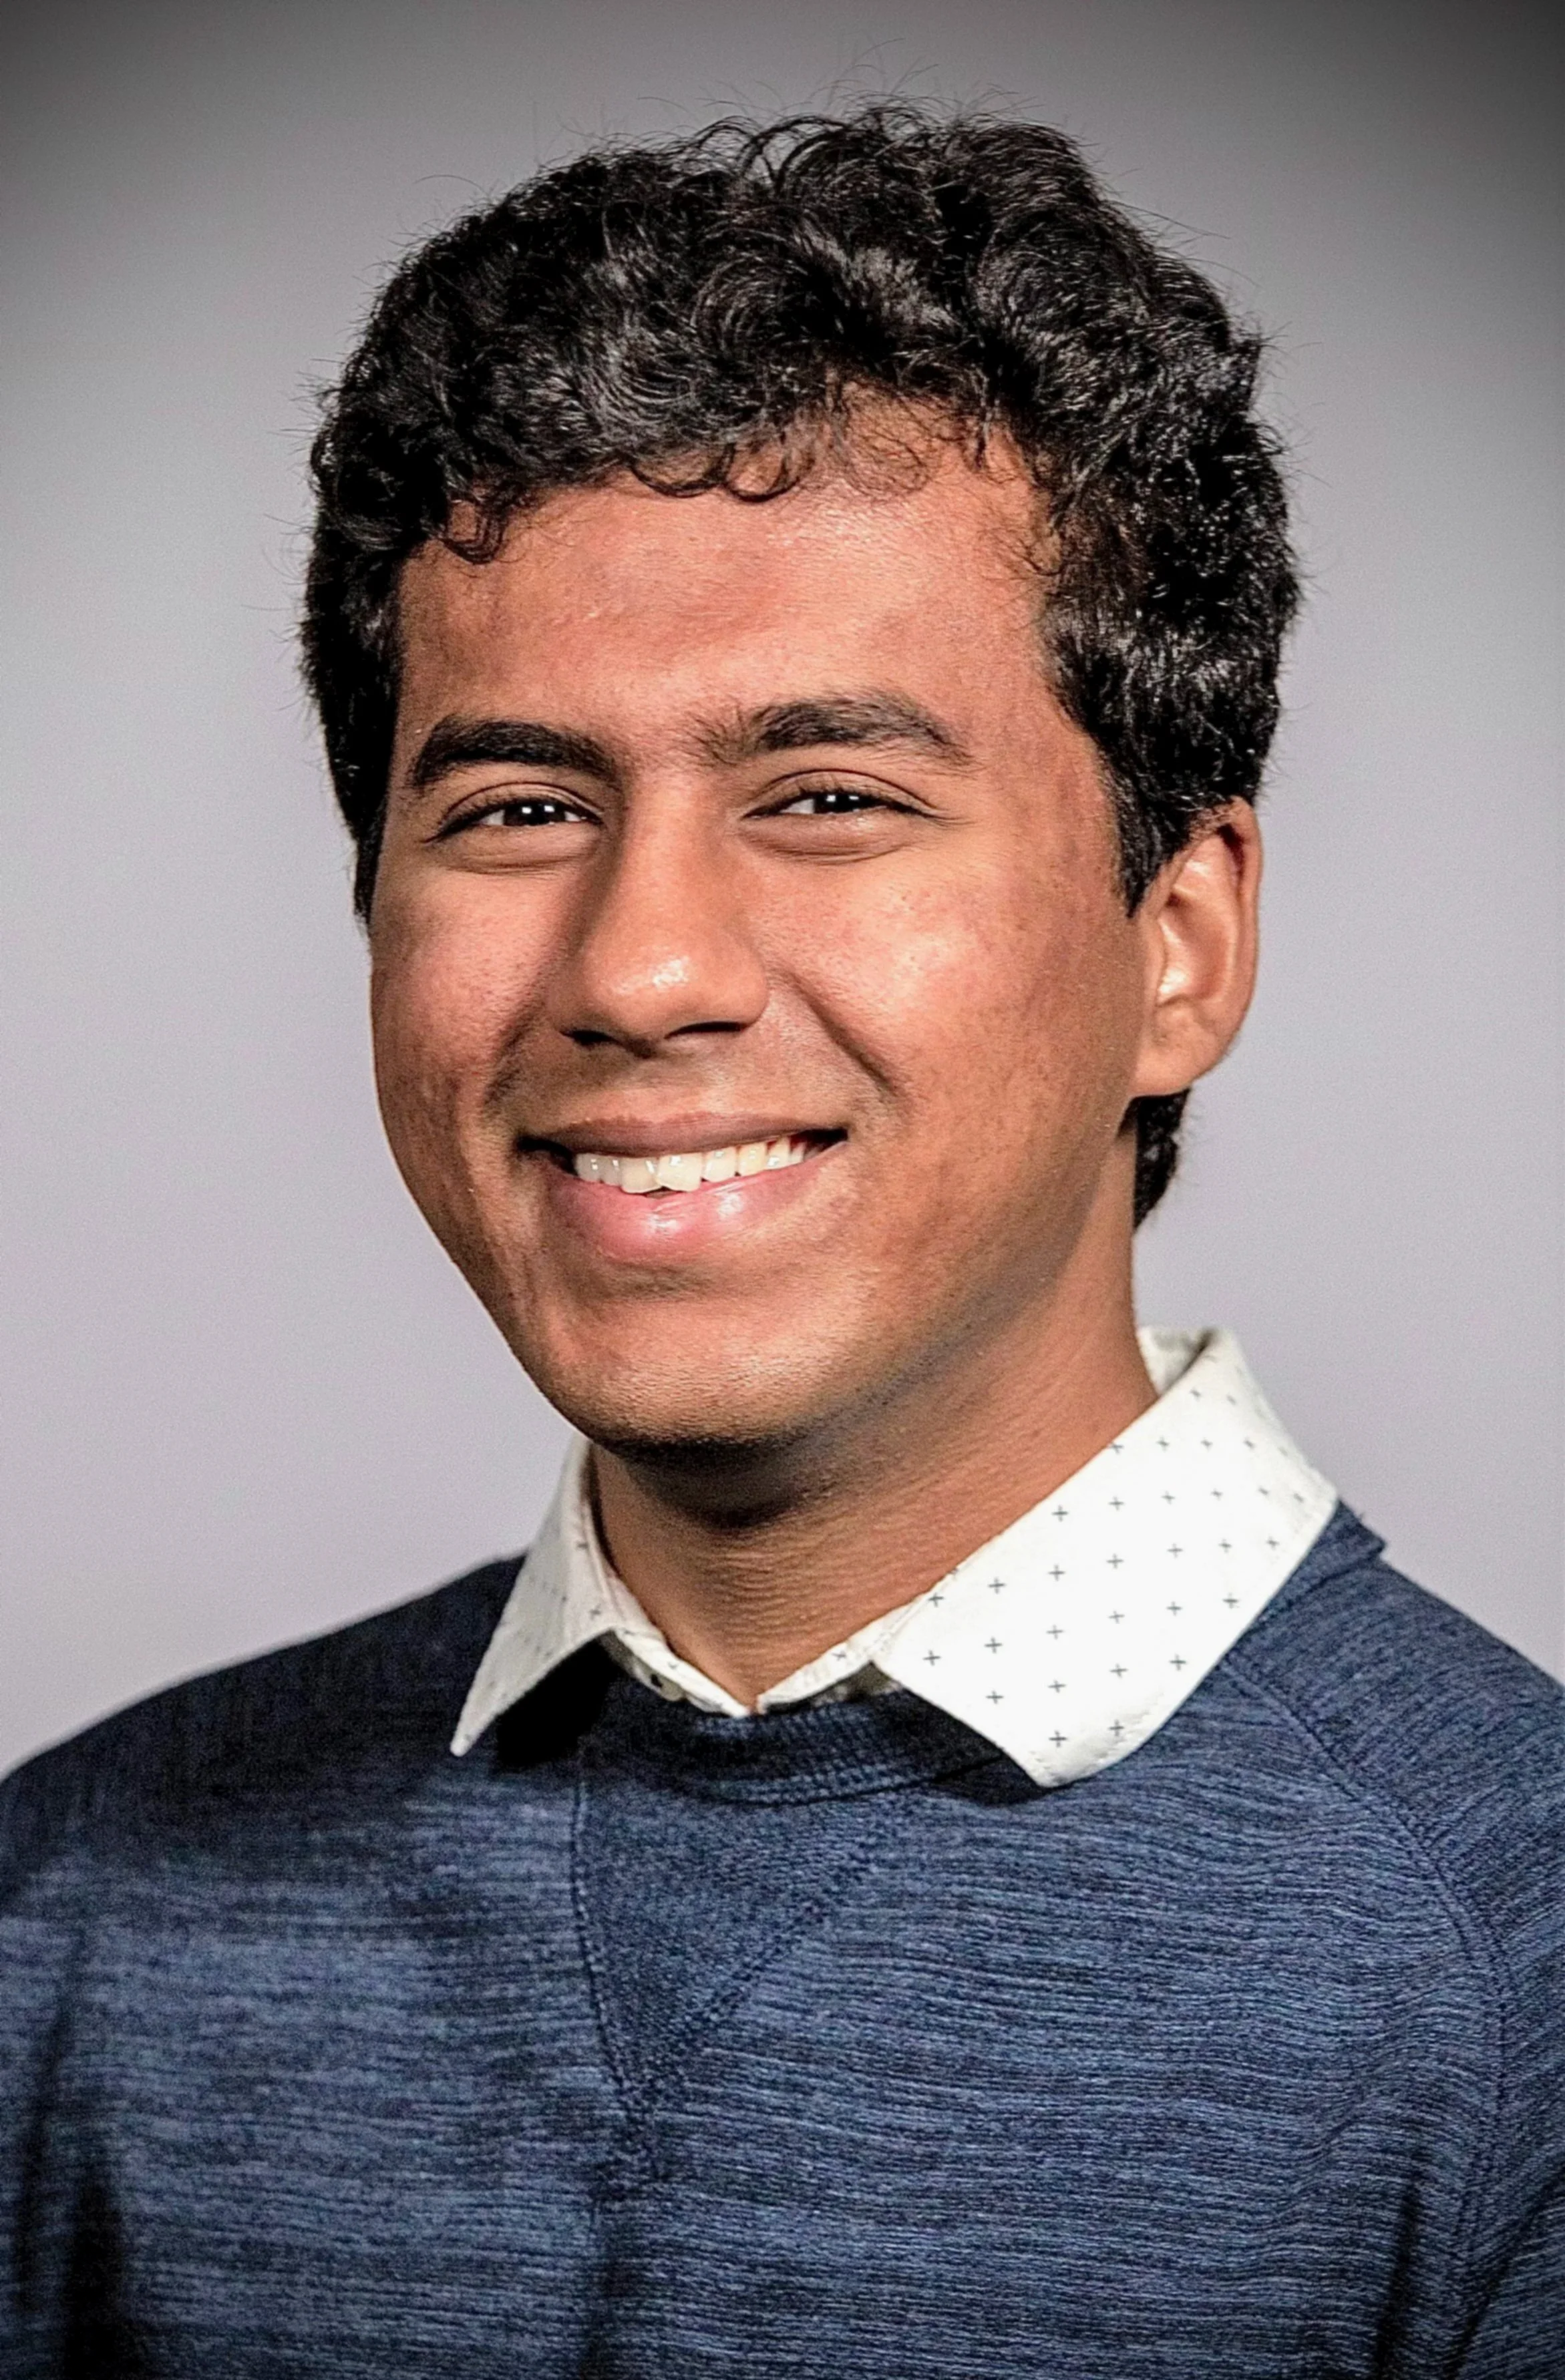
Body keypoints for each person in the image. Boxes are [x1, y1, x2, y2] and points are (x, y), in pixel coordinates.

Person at [1, 104, 1559, 2377]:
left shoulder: (1517, 1973)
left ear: (1180, 942)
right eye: (519, 804)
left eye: (828, 795)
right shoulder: (71, 1912)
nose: (640, 968)